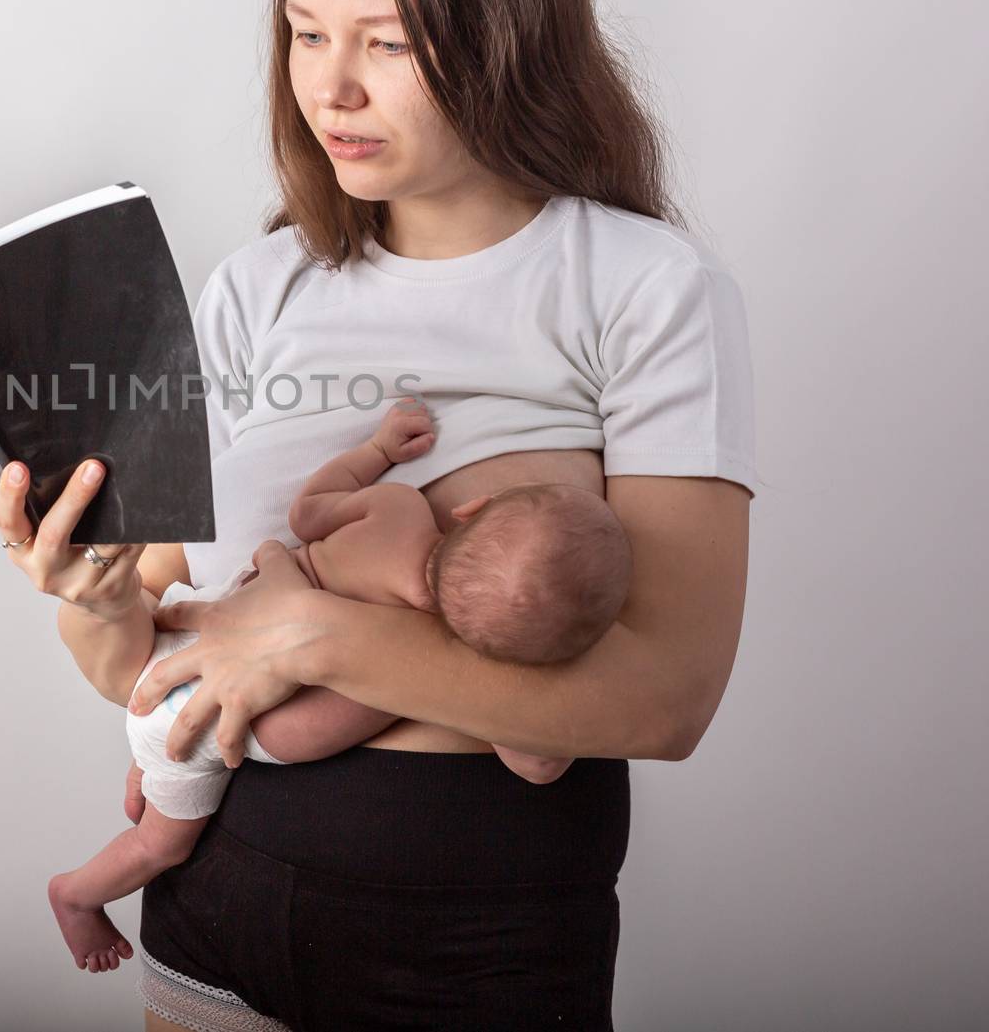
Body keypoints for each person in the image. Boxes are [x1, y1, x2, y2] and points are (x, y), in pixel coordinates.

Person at [0, 0, 755, 1032]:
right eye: (304, 35)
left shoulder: (641, 286)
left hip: (483, 934)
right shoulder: (258, 290)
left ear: (504, 39)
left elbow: (666, 696)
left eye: (385, 44)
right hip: (217, 898)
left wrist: (311, 633)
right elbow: (142, 667)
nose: (328, 87)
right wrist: (93, 595)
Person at [44, 396, 633, 973]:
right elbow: (537, 763)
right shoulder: (458, 657)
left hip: (204, 621)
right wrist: (549, 661)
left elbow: (308, 512)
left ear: (472, 509)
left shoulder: (398, 510)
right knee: (160, 846)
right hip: (204, 722)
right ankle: (75, 892)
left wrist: (376, 450)